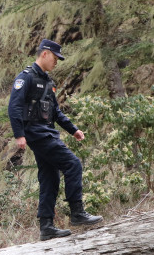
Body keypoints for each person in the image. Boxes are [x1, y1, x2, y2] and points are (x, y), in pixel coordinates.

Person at [7, 39, 103, 240]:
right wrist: (19, 134)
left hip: (47, 131)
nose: (56, 62)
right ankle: (77, 212)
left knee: (50, 177)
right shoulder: (25, 78)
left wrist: (73, 129)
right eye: (55, 57)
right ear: (44, 54)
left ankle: (46, 226)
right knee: (72, 163)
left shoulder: (48, 82)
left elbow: (55, 111)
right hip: (36, 133)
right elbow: (14, 107)